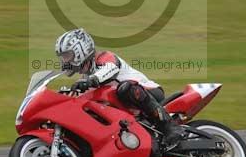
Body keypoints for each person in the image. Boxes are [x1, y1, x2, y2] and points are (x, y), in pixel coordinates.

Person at [55, 28, 185, 147]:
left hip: (149, 93)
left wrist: (90, 81)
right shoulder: (86, 77)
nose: (65, 61)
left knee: (125, 89)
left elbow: (110, 68)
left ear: (80, 50)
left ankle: (170, 127)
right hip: (129, 109)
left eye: (67, 56)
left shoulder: (105, 58)